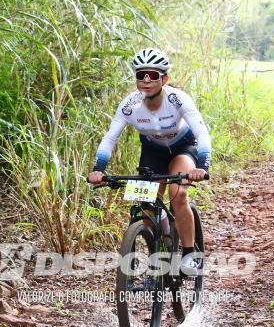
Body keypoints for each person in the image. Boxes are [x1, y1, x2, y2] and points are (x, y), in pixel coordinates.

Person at [88, 47, 211, 275]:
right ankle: (163, 241)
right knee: (145, 206)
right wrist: (98, 169)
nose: (146, 80)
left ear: (164, 78)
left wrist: (202, 166)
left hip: (183, 147)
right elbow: (110, 137)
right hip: (153, 152)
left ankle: (188, 255)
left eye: (153, 75)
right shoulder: (130, 105)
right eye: (140, 74)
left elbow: (202, 133)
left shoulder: (177, 99)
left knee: (178, 194)